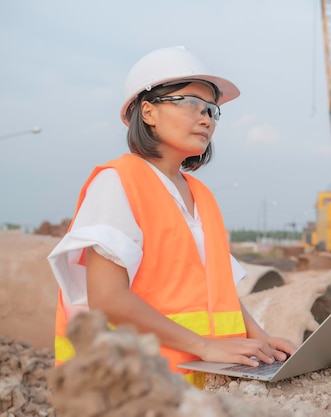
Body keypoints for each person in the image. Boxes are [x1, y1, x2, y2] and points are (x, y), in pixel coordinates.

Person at [47, 46, 297, 388]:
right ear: (148, 111)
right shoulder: (118, 181)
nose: (207, 118)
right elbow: (109, 299)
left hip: (195, 386)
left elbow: (218, 292)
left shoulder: (202, 195)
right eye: (192, 103)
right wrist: (205, 346)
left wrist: (261, 340)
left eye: (212, 110)